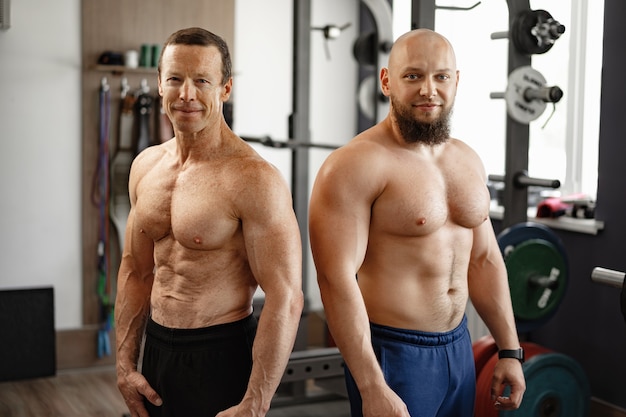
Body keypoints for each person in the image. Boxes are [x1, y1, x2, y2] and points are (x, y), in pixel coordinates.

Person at [309, 29, 526, 417]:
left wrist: (510, 349)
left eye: (441, 76)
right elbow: (335, 280)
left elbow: (485, 260)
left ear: (456, 81)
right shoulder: (353, 165)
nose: (429, 89)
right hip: (394, 354)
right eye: (413, 76)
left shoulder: (468, 159)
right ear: (386, 80)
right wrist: (372, 385)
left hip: (459, 347)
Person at [114, 27, 304, 417]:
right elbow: (136, 270)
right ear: (159, 84)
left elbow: (286, 297)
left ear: (225, 89)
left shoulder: (254, 179)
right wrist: (124, 365)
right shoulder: (145, 167)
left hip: (221, 354)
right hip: (157, 351)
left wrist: (256, 402)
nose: (186, 94)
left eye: (202, 80)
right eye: (175, 79)